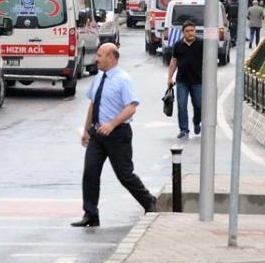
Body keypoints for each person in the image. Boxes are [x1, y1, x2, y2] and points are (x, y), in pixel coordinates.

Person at [72, 43, 156, 227]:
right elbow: (93, 104)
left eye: (100, 55)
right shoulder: (98, 78)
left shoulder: (123, 79)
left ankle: (149, 202)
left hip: (118, 134)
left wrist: (112, 124)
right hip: (97, 134)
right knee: (90, 173)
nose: (96, 58)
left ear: (111, 58)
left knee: (124, 174)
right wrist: (87, 130)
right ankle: (91, 214)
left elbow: (132, 107)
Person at [167, 20, 203, 139]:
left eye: (192, 30)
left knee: (198, 105)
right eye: (187, 31)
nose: (190, 33)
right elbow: (174, 61)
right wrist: (170, 77)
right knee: (182, 105)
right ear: (183, 33)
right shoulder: (178, 45)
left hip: (198, 81)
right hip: (182, 81)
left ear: (195, 31)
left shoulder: (201, 44)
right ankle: (184, 129)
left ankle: (197, 122)